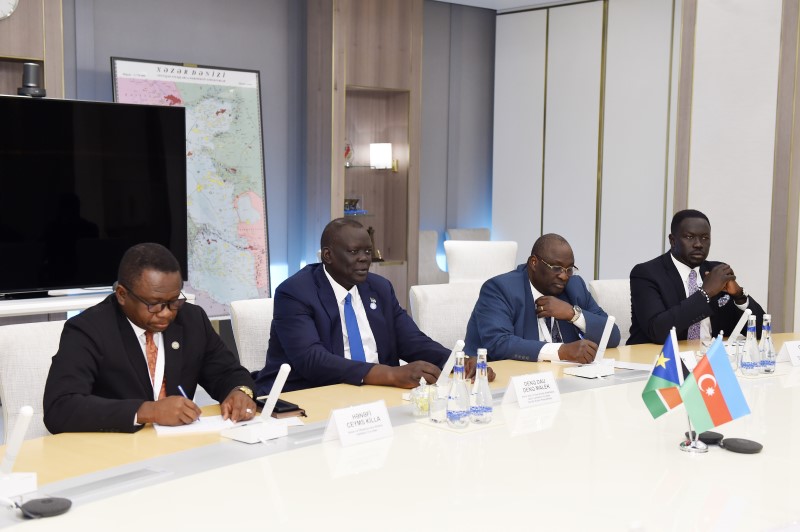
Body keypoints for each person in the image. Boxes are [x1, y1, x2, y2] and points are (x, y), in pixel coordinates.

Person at [254, 218, 494, 394]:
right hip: (312, 393)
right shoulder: (295, 292)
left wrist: (458, 362)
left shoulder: (379, 288)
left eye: (368, 251)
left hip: (376, 395)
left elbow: (412, 341)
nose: (364, 258)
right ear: (328, 256)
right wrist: (390, 374)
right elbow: (312, 360)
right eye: (354, 251)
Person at [43, 243, 257, 434]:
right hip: (115, 450)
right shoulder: (88, 329)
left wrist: (240, 391)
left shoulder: (192, 320)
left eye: (174, 301)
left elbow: (227, 372)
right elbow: (60, 407)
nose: (167, 313)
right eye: (155, 304)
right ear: (122, 295)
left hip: (180, 447)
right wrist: (147, 411)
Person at [465, 233, 620, 364]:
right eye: (556, 268)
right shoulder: (500, 289)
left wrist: (573, 314)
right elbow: (499, 344)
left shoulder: (574, 287)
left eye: (569, 269)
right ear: (534, 263)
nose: (564, 276)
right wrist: (562, 351)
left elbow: (612, 335)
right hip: (502, 379)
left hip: (563, 378)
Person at [628, 209, 765, 345]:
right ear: (673, 240)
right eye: (689, 237)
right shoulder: (646, 273)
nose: (698, 244)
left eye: (705, 238)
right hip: (659, 357)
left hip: (710, 355)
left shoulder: (717, 271)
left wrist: (739, 296)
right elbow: (658, 332)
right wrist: (705, 293)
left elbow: (761, 332)